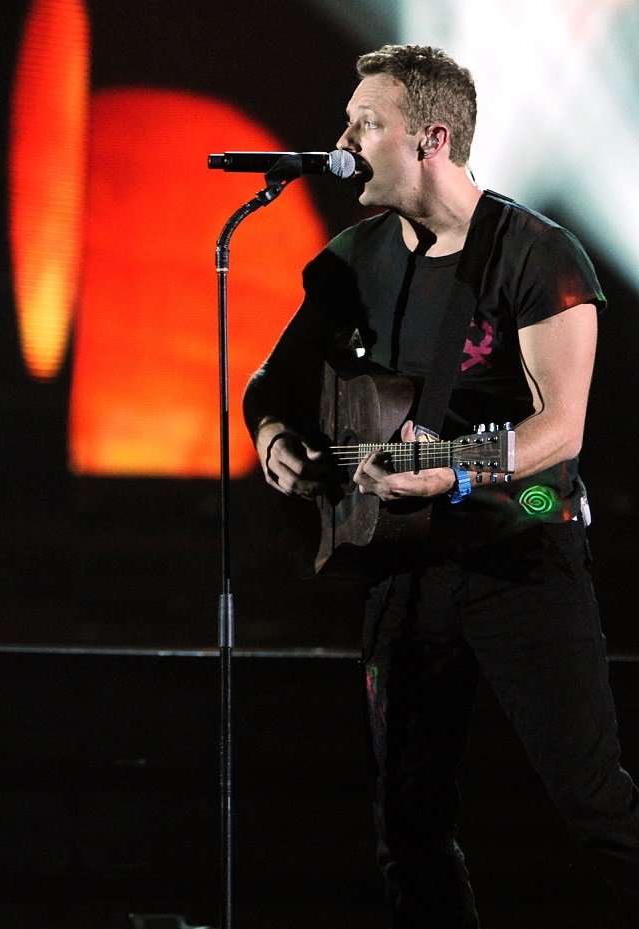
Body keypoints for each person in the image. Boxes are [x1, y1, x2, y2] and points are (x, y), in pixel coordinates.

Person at [243, 45, 639, 928]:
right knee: (406, 822)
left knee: (592, 800)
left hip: (525, 539)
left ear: (431, 137)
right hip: (404, 570)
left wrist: (452, 466)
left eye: (364, 123)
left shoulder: (538, 255)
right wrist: (273, 436)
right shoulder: (354, 258)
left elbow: (562, 433)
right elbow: (271, 380)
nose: (341, 139)